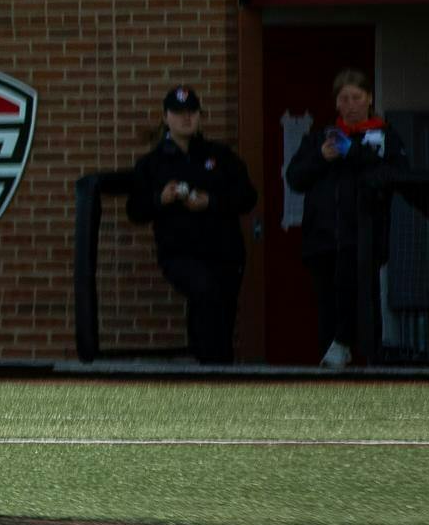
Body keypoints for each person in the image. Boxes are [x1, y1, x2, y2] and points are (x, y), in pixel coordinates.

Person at [283, 68, 407, 370]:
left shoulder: (385, 136)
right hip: (323, 239)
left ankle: (370, 364)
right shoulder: (319, 138)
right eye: (343, 98)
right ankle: (330, 368)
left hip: (364, 237)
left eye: (356, 97)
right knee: (326, 304)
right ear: (336, 103)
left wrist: (351, 152)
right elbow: (295, 178)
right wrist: (321, 158)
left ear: (369, 99)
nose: (350, 104)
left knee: (363, 300)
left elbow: (393, 174)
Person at [128, 86, 258, 364]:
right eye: (178, 113)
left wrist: (210, 202)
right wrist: (160, 199)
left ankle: (221, 375)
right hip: (180, 253)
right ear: (165, 117)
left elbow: (247, 197)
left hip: (224, 252)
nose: (185, 119)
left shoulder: (220, 156)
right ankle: (205, 370)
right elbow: (135, 210)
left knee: (222, 314)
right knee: (203, 291)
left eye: (191, 113)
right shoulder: (152, 164)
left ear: (200, 116)